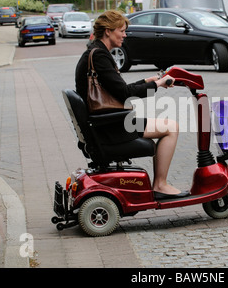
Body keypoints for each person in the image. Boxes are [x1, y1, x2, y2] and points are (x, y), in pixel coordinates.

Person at [75, 10, 189, 199]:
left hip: (105, 122)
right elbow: (126, 94)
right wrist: (158, 84)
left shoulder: (95, 53)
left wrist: (148, 80)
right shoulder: (99, 57)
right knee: (171, 128)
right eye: (122, 30)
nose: (125, 35)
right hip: (112, 126)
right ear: (108, 31)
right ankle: (160, 184)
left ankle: (160, 184)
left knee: (168, 126)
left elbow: (118, 89)